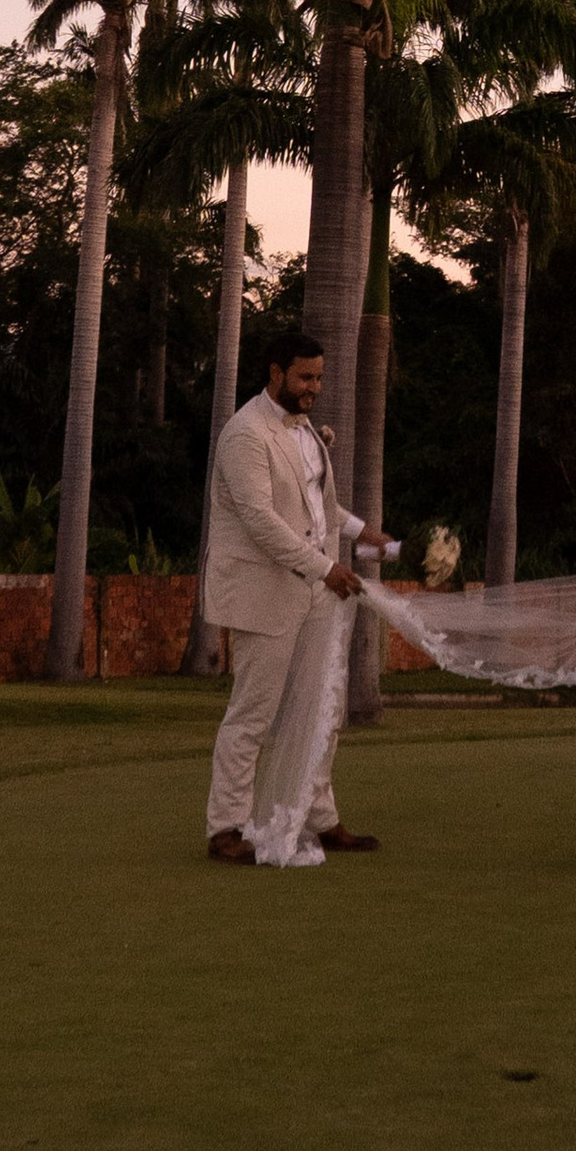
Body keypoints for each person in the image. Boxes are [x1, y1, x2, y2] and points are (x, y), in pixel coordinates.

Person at [200, 326, 395, 865]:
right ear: (275, 373)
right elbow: (262, 521)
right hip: (263, 595)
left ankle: (321, 818)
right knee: (253, 714)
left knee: (320, 707)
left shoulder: (306, 430)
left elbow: (316, 507)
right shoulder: (245, 435)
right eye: (305, 377)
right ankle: (225, 828)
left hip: (312, 592)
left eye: (319, 377)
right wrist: (326, 568)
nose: (314, 387)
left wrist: (360, 534)